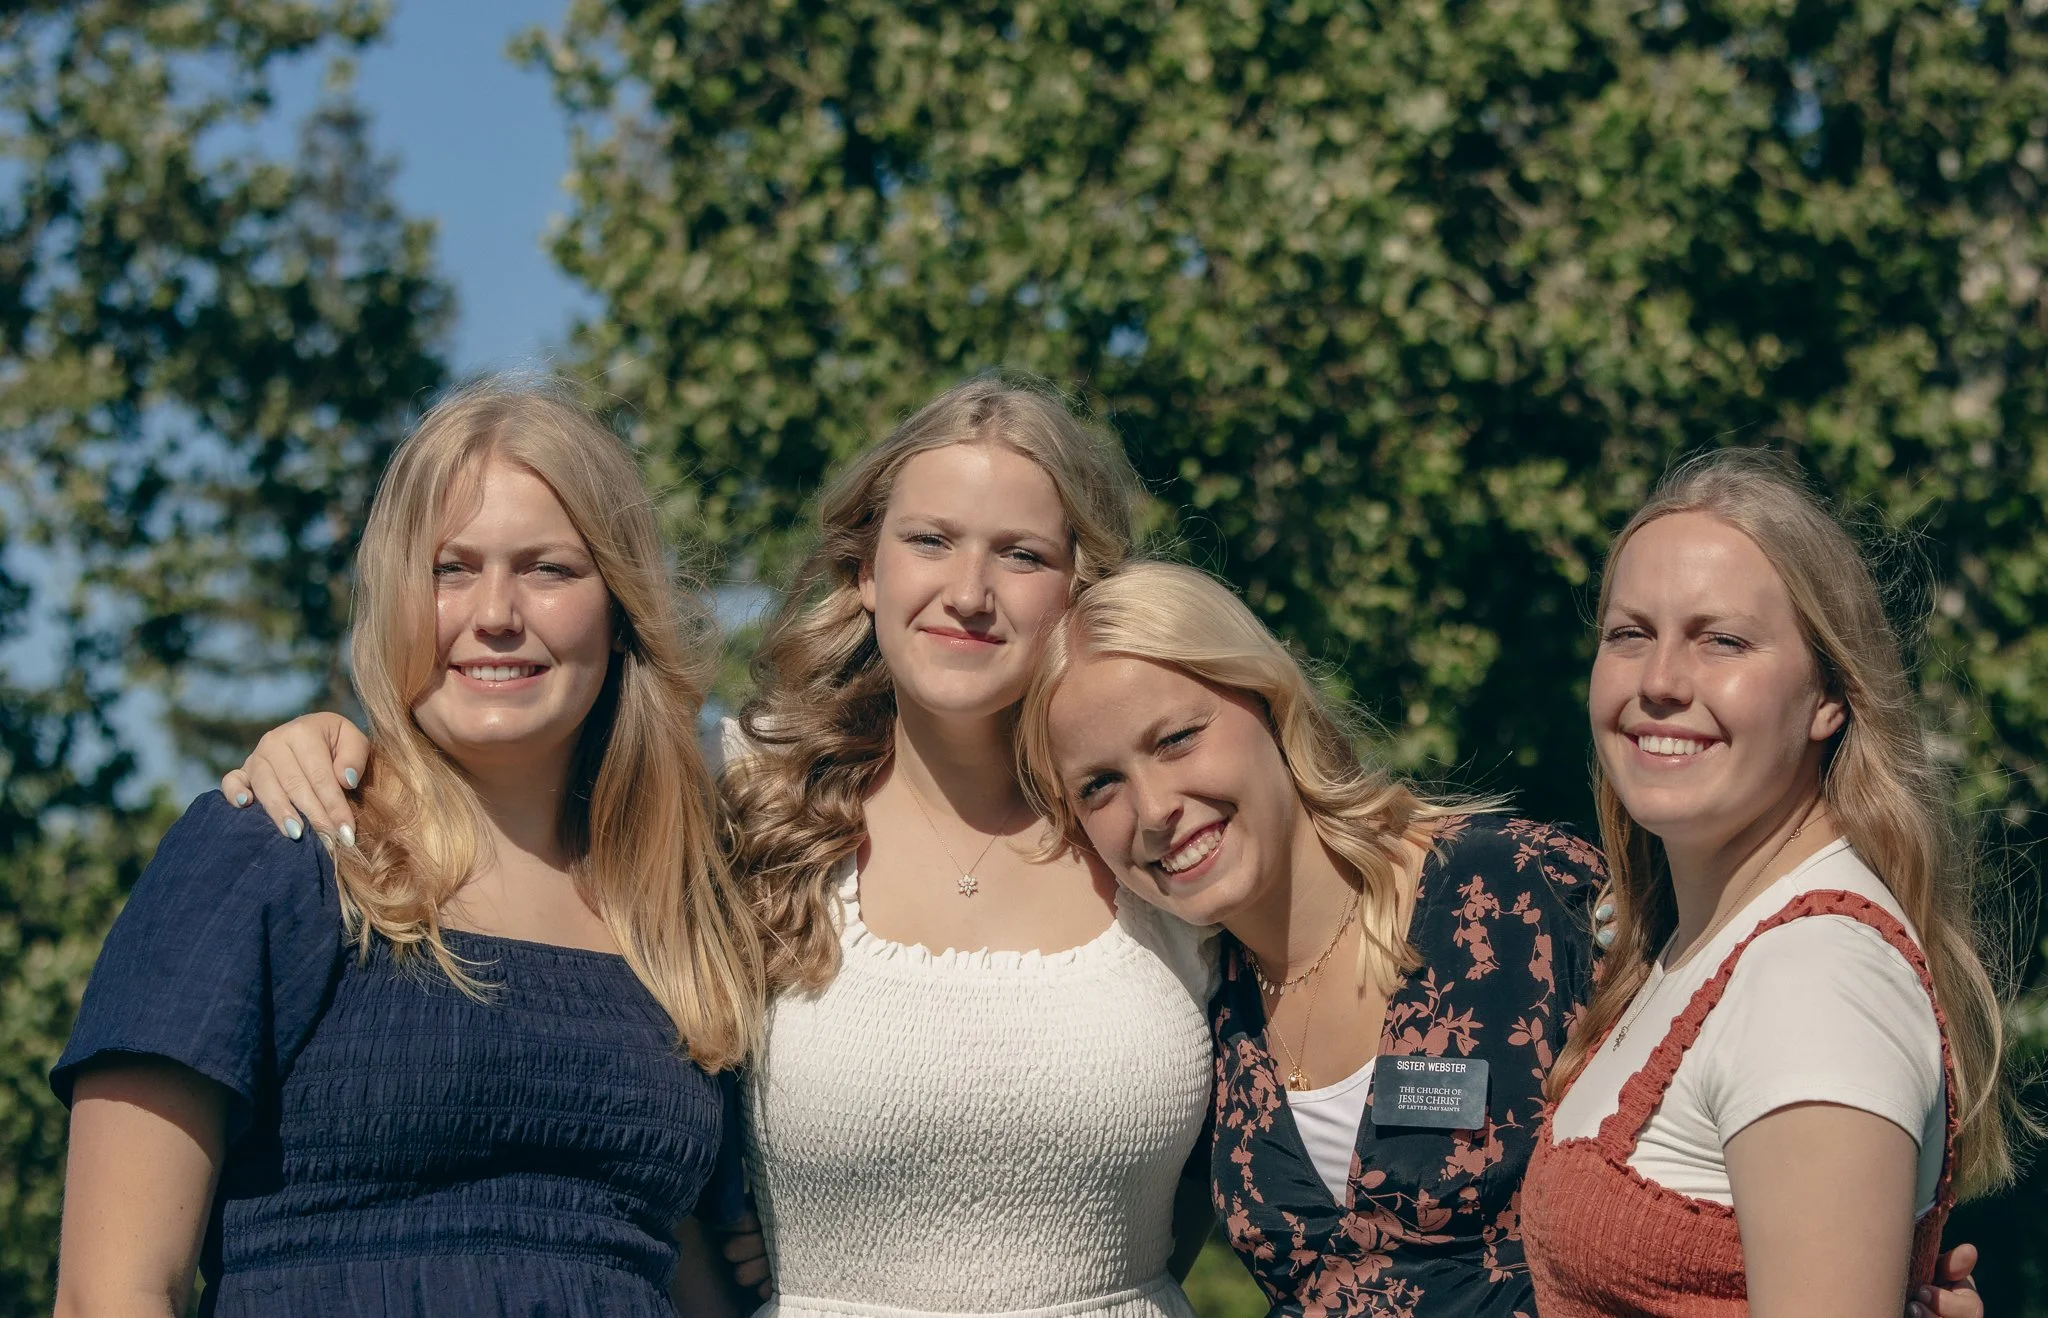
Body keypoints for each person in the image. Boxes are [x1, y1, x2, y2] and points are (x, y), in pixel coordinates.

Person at [218, 376, 1221, 1318]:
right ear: (861, 571)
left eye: (1020, 554)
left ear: (1078, 587)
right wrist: (333, 744)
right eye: (929, 540)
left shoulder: (1161, 832)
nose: (969, 590)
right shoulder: (737, 800)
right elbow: (519, 773)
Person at [54, 381, 765, 1316]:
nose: (496, 614)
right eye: (450, 568)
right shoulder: (274, 850)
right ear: (392, 596)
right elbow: (113, 1293)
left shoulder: (675, 909)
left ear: (620, 607)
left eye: (549, 570)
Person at [1016, 559, 1603, 1316]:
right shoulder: (1199, 1013)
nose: (1154, 807)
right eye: (1100, 785)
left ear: (1268, 702)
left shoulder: (1520, 893)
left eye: (1176, 740)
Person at [1522, 451, 2009, 1315]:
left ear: (1829, 695)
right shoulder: (1690, 945)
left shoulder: (1816, 980)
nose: (1660, 682)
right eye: (1630, 634)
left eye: (1723, 641)